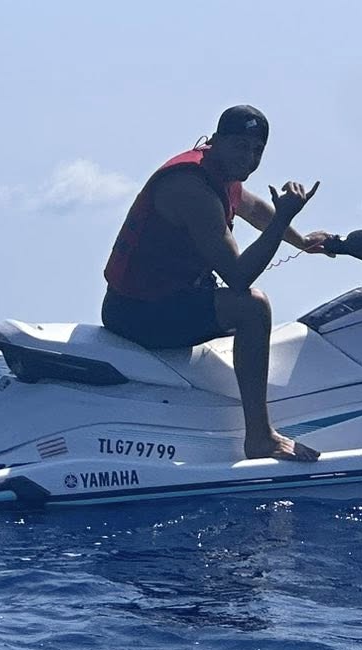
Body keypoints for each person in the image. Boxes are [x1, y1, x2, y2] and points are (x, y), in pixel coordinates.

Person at [102, 106, 331, 462]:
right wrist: (284, 216)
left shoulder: (221, 174)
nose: (249, 158)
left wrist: (302, 241)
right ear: (217, 141)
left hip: (166, 299)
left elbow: (255, 211)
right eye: (240, 146)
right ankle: (260, 437)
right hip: (137, 313)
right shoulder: (191, 187)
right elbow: (238, 277)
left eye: (257, 150)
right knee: (252, 308)